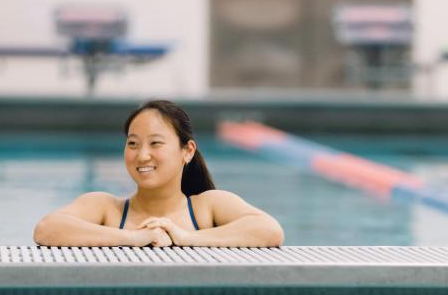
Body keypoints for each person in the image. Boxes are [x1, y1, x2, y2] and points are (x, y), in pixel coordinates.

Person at [34, 100, 284, 248]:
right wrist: (134, 238)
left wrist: (186, 238)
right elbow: (47, 229)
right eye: (133, 143)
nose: (142, 155)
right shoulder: (106, 208)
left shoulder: (206, 207)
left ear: (187, 151)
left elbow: (269, 230)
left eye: (155, 144)